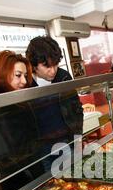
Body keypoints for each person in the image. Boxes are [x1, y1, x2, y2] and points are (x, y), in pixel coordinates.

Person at [0, 50, 43, 190]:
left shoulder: (18, 99)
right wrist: (30, 175)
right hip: (18, 183)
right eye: (18, 75)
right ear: (2, 75)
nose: (24, 81)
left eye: (26, 76)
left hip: (37, 172)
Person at [26, 36, 83, 170]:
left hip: (68, 141)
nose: (53, 70)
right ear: (33, 64)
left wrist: (78, 139)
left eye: (55, 64)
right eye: (46, 66)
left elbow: (76, 110)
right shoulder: (25, 84)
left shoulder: (64, 76)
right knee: (51, 188)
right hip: (42, 150)